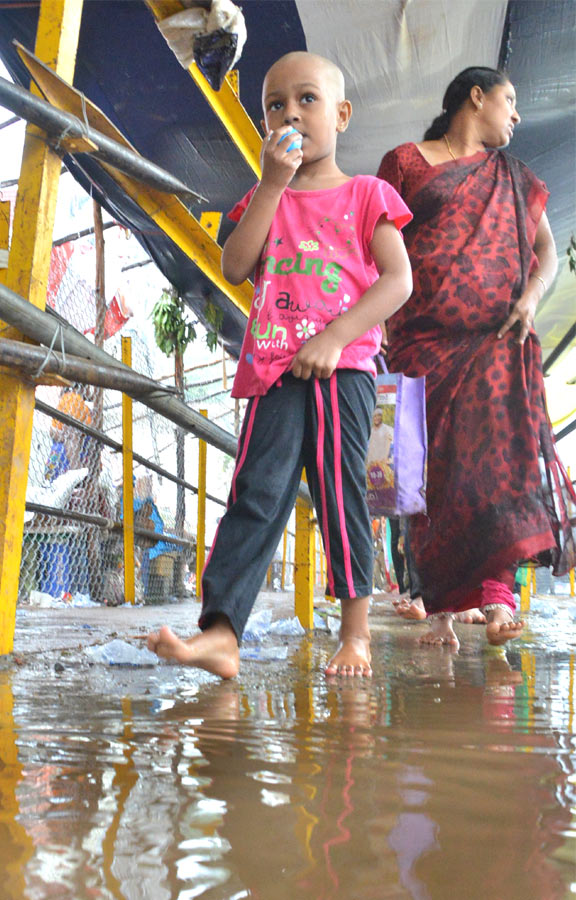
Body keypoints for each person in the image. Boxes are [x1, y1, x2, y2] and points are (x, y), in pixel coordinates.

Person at [146, 51, 413, 678]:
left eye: (307, 99)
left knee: (340, 491)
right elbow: (234, 266)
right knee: (254, 494)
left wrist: (337, 335)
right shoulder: (266, 198)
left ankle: (356, 634)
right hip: (273, 370)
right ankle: (221, 632)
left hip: (342, 370)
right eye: (275, 104)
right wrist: (270, 184)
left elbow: (397, 281)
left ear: (342, 114)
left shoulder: (368, 195)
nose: (290, 112)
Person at [377, 66, 572, 649]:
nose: (516, 116)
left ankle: (497, 596)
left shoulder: (515, 179)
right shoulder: (405, 162)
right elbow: (375, 242)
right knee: (423, 473)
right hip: (416, 345)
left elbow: (547, 254)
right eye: (509, 101)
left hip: (494, 342)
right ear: (476, 96)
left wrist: (530, 298)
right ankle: (436, 605)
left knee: (497, 469)